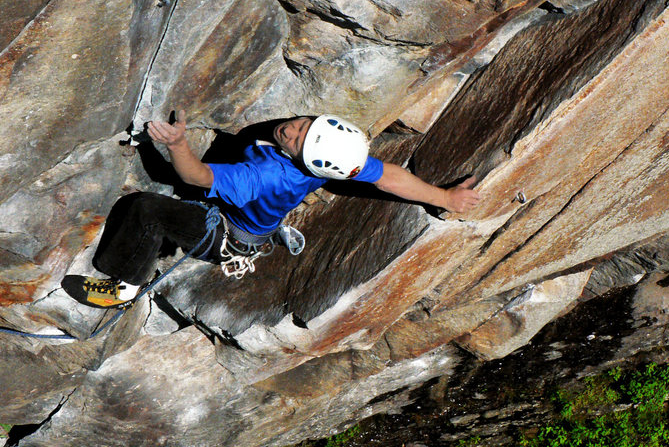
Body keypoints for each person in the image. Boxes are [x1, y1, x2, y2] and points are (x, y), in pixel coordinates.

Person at [62, 110, 481, 308]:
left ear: (304, 161)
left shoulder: (269, 177)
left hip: (222, 234)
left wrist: (176, 146)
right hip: (247, 223)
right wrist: (444, 198)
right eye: (304, 123)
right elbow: (387, 175)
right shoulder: (332, 155)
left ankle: (124, 287)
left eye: (298, 138)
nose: (292, 129)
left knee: (146, 210)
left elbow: (197, 178)